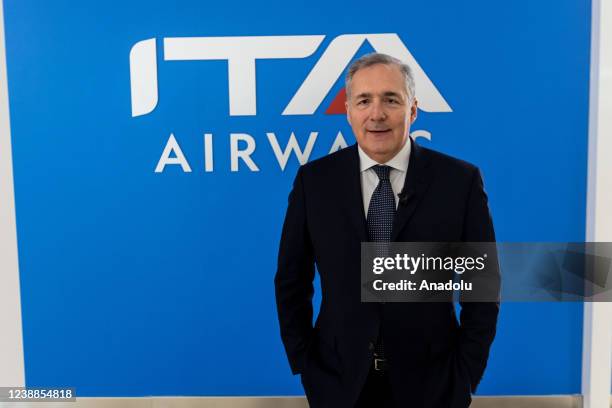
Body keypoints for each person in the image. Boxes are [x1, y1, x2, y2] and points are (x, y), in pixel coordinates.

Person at [274, 53, 499, 408]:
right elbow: (291, 280)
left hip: (434, 384)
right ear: (348, 111)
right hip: (338, 382)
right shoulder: (314, 182)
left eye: (391, 100)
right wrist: (305, 363)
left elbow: (482, 285)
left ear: (412, 111)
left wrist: (467, 372)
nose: (376, 114)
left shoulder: (459, 182)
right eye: (364, 101)